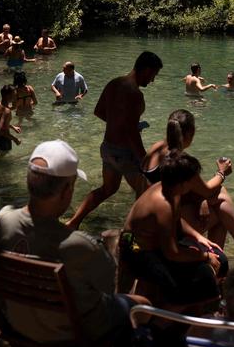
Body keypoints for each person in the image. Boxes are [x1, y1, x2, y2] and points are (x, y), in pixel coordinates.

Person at [0, 140, 147, 342]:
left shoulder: (5, 220)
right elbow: (109, 288)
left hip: (19, 326)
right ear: (66, 191)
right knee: (142, 305)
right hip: (70, 334)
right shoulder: (79, 245)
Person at [143, 109, 234, 261]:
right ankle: (229, 257)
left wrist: (201, 200)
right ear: (191, 133)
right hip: (170, 225)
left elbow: (180, 189)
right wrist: (221, 172)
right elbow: (207, 190)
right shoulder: (179, 161)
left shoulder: (154, 149)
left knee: (219, 206)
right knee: (221, 205)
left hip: (152, 218)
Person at [67, 51, 163, 229]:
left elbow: (99, 112)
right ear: (146, 69)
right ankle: (134, 235)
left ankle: (73, 222)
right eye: (153, 75)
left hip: (108, 148)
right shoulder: (135, 94)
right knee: (148, 193)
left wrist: (118, 125)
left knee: (108, 189)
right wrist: (145, 161)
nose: (152, 80)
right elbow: (131, 134)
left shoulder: (114, 83)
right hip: (124, 152)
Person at [119, 150, 224, 309]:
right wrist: (205, 257)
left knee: (219, 259)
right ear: (182, 183)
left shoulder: (168, 189)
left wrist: (198, 236)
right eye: (191, 180)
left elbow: (176, 220)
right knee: (202, 274)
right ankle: (175, 315)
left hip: (150, 243)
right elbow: (172, 253)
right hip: (135, 248)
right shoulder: (163, 204)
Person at [0, 84, 22, 153]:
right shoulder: (7, 111)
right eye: (14, 94)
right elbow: (2, 130)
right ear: (8, 96)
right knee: (6, 161)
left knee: (0, 154)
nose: (16, 96)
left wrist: (13, 127)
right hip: (3, 140)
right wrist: (15, 139)